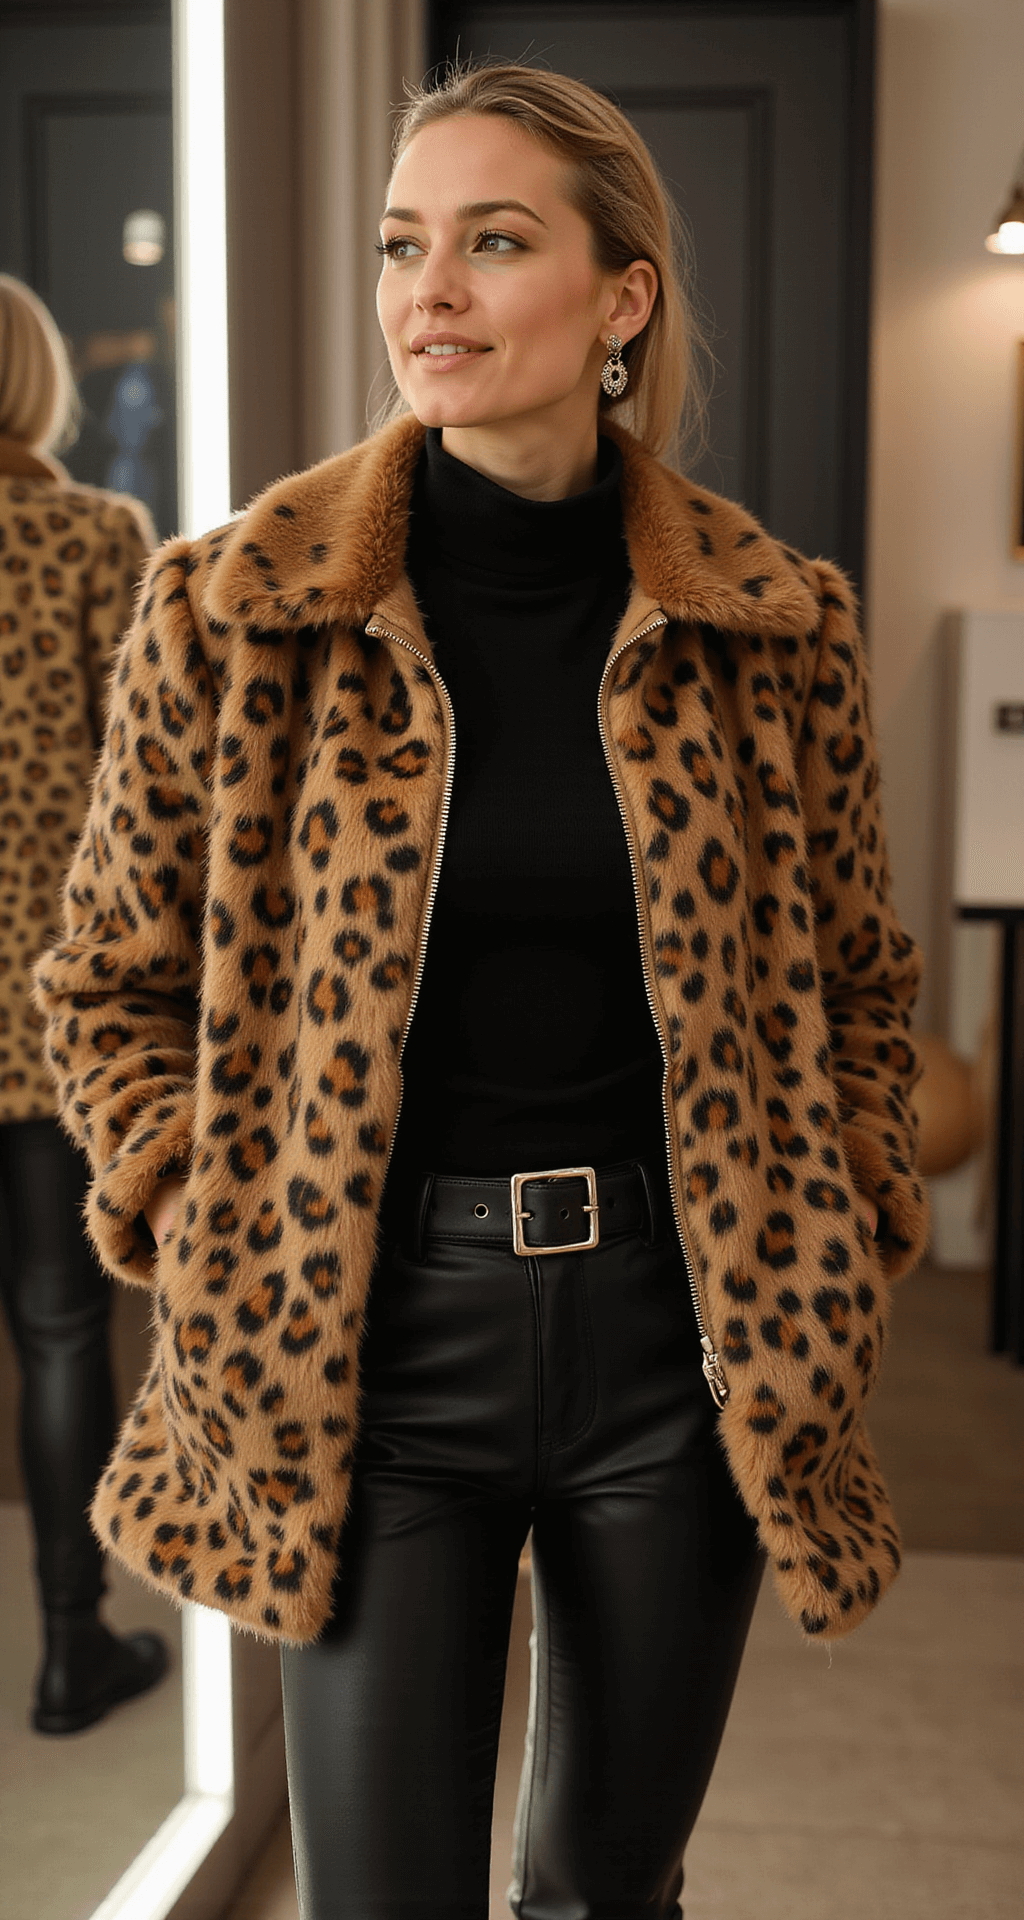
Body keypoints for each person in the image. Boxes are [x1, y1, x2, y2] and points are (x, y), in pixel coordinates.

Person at [35, 63, 927, 1917]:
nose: (426, 291)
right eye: (401, 244)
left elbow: (859, 985)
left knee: (610, 1890)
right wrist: (205, 1210)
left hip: (682, 1341)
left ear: (622, 298)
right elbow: (110, 986)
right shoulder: (233, 612)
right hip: (365, 1343)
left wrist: (841, 1215)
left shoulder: (775, 625)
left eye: (493, 242)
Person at [0, 274, 169, 1733]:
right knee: (63, 1331)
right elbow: (154, 783)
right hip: (48, 1012)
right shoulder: (93, 537)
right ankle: (72, 1650)